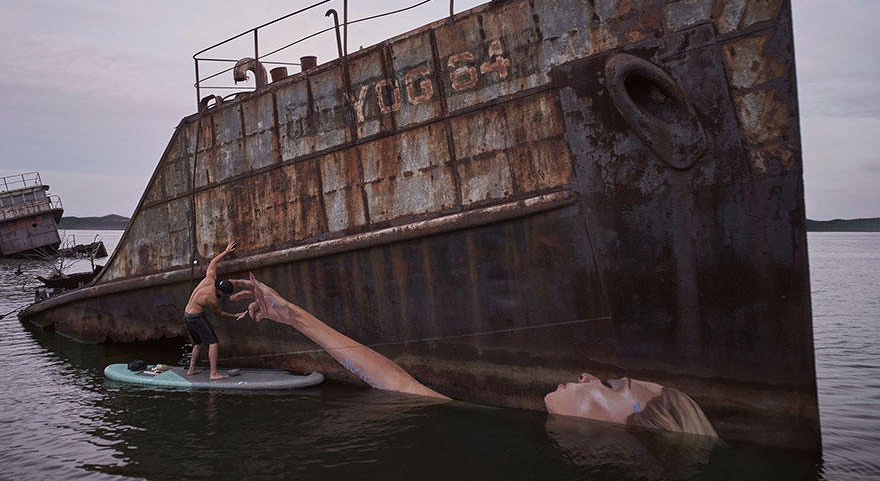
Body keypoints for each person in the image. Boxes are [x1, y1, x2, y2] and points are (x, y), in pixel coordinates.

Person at [230, 273, 717, 436]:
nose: (591, 375)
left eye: (611, 387)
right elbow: (399, 386)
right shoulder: (514, 432)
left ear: (635, 435)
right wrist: (292, 316)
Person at [184, 241, 246, 379]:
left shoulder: (210, 278)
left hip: (187, 314)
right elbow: (219, 313)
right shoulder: (212, 298)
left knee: (198, 342)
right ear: (221, 292)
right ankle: (213, 374)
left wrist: (226, 251)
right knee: (213, 342)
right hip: (195, 317)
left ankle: (191, 369)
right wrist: (234, 315)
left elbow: (213, 262)